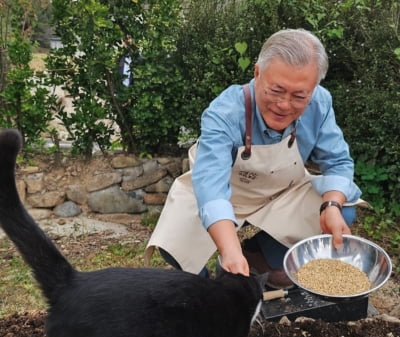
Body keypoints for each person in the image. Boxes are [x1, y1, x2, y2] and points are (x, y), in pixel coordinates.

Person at [145, 28, 365, 288]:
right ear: (258, 73)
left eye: (299, 96)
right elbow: (211, 190)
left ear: (314, 88)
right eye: (276, 90)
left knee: (344, 208)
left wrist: (331, 207)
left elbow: (338, 163)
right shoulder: (224, 112)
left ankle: (258, 256)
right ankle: (203, 286)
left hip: (280, 193)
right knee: (174, 247)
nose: (284, 105)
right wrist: (228, 249)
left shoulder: (320, 103)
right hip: (222, 191)